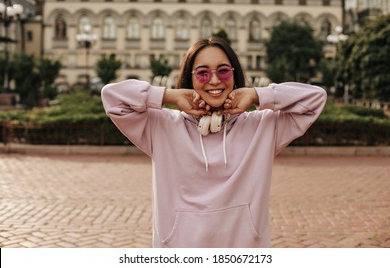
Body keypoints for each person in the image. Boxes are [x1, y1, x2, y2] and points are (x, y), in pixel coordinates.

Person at [101, 36, 327, 248]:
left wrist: (258, 95)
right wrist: (169, 96)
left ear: (234, 74)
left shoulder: (263, 127)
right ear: (190, 78)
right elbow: (112, 97)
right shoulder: (162, 126)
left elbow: (315, 99)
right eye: (202, 73)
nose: (215, 80)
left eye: (223, 71)